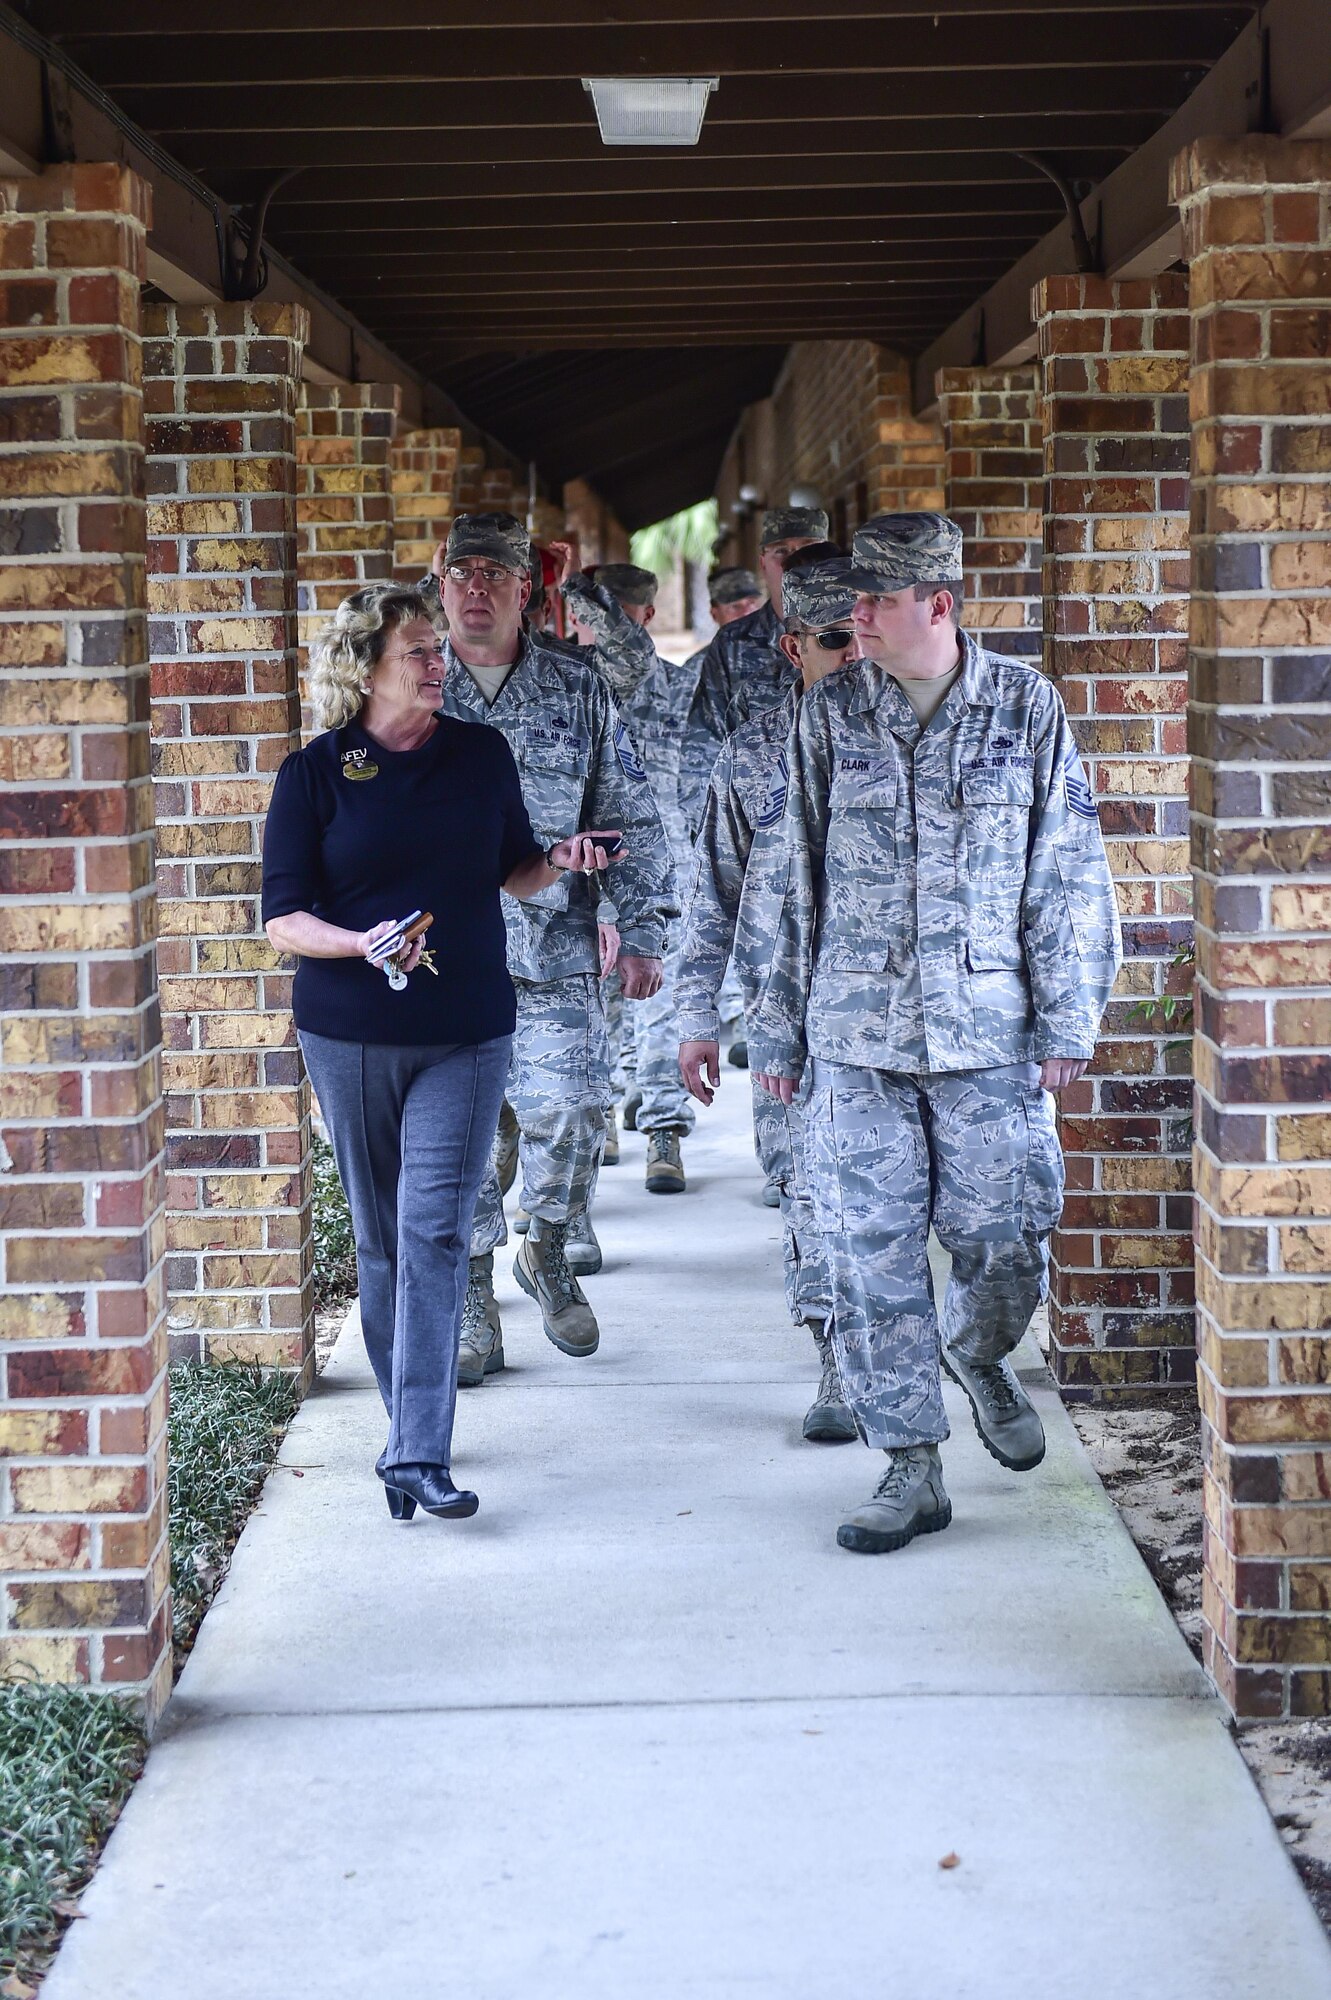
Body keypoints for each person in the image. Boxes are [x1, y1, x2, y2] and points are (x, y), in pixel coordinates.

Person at [750, 512, 1122, 1556]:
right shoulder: (829, 713)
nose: (856, 615)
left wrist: (1067, 1015)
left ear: (938, 604)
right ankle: (909, 1464)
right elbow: (787, 877)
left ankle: (979, 1350)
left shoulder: (1023, 706)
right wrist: (774, 1033)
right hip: (854, 1037)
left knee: (1003, 1236)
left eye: (876, 599)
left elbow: (1066, 868)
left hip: (988, 1036)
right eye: (853, 600)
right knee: (867, 1256)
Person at [261, 584, 623, 1523]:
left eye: (436, 649)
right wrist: (360, 942)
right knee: (381, 1238)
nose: (438, 664)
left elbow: (513, 867)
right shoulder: (314, 773)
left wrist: (561, 858)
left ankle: (419, 1450)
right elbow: (283, 919)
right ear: (365, 668)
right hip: (349, 1033)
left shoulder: (479, 752)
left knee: (435, 1231)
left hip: (466, 1029)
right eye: (417, 651)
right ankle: (403, 1433)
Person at [432, 512, 675, 1378]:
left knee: (571, 1109)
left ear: (525, 588)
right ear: (439, 583)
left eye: (494, 573)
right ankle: (470, 1292)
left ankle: (545, 1244)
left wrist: (642, 930)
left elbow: (629, 813)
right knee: (460, 1135)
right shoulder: (412, 680)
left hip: (555, 949)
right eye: (461, 571)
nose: (476, 588)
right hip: (440, 958)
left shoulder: (576, 688)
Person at [677, 550, 857, 1443]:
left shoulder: (932, 739)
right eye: (836, 639)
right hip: (790, 1022)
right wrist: (695, 1016)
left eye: (867, 633)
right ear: (794, 649)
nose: (856, 654)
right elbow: (712, 892)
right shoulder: (751, 754)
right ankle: (839, 1363)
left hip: (916, 1024)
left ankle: (960, 1349)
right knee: (809, 1192)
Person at [677, 505, 829, 839]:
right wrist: (717, 841)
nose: (794, 560)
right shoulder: (733, 643)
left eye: (807, 547)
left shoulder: (861, 635)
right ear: (763, 562)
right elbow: (703, 748)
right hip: (759, 831)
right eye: (781, 551)